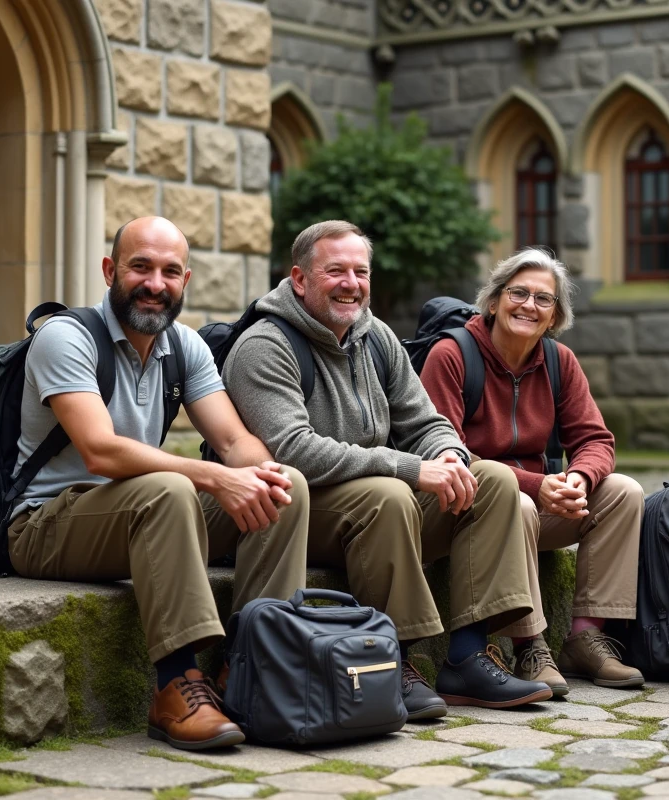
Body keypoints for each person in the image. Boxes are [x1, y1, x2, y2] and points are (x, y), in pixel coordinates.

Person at [222, 220, 552, 720]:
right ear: (299, 278)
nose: (351, 283)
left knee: (494, 482)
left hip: (373, 505)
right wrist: (408, 468)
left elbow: (425, 421)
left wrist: (447, 455)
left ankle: (466, 656)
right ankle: (395, 658)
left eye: (360, 271)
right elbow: (291, 451)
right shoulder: (264, 347)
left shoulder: (375, 337)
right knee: (390, 494)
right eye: (335, 271)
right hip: (297, 511)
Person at [6, 216, 311, 750]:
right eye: (140, 267)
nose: (155, 284)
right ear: (109, 271)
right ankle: (177, 683)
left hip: (141, 513)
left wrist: (258, 478)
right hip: (45, 525)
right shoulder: (66, 337)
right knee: (169, 490)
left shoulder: (185, 346)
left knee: (285, 485)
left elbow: (237, 444)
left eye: (170, 272)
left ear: (185, 281)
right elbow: (99, 451)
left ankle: (251, 669)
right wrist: (213, 475)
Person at [420, 247, 645, 692]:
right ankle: (529, 646)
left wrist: (578, 479)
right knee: (516, 503)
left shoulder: (559, 362)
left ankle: (584, 637)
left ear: (555, 315)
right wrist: (536, 485)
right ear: (494, 300)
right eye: (518, 293)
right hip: (466, 508)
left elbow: (596, 440)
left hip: (539, 497)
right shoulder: (451, 356)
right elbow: (445, 451)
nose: (529, 305)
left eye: (544, 299)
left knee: (624, 491)